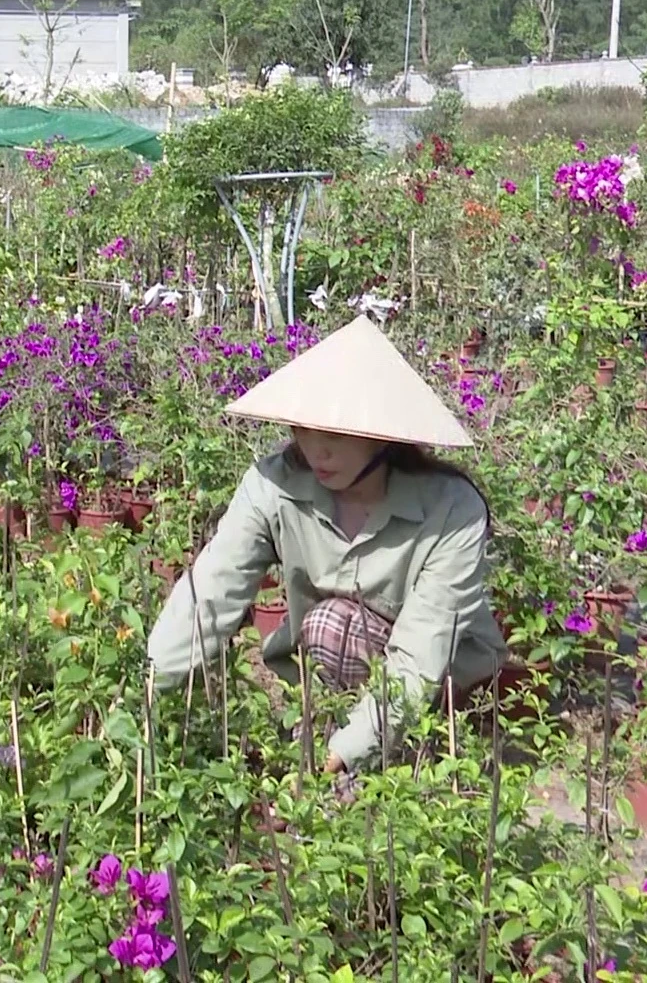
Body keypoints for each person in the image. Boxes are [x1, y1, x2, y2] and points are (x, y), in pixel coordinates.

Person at [147, 316, 506, 773]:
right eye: (304, 431)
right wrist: (145, 689)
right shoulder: (272, 487)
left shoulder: (451, 509)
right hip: (328, 666)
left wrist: (344, 751)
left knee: (334, 626)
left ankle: (382, 756)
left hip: (440, 678)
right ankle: (327, 744)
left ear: (383, 435)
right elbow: (211, 594)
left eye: (335, 435)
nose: (318, 452)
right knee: (326, 630)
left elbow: (422, 651)